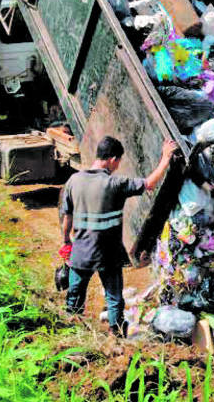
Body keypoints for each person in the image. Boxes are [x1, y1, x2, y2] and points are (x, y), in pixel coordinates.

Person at [60, 136, 179, 336]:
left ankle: (72, 335)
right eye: (119, 162)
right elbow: (149, 184)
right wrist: (165, 158)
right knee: (114, 299)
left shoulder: (74, 181)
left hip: (81, 253)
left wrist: (66, 241)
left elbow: (67, 218)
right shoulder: (115, 184)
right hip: (108, 254)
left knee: (74, 298)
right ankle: (116, 338)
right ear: (113, 159)